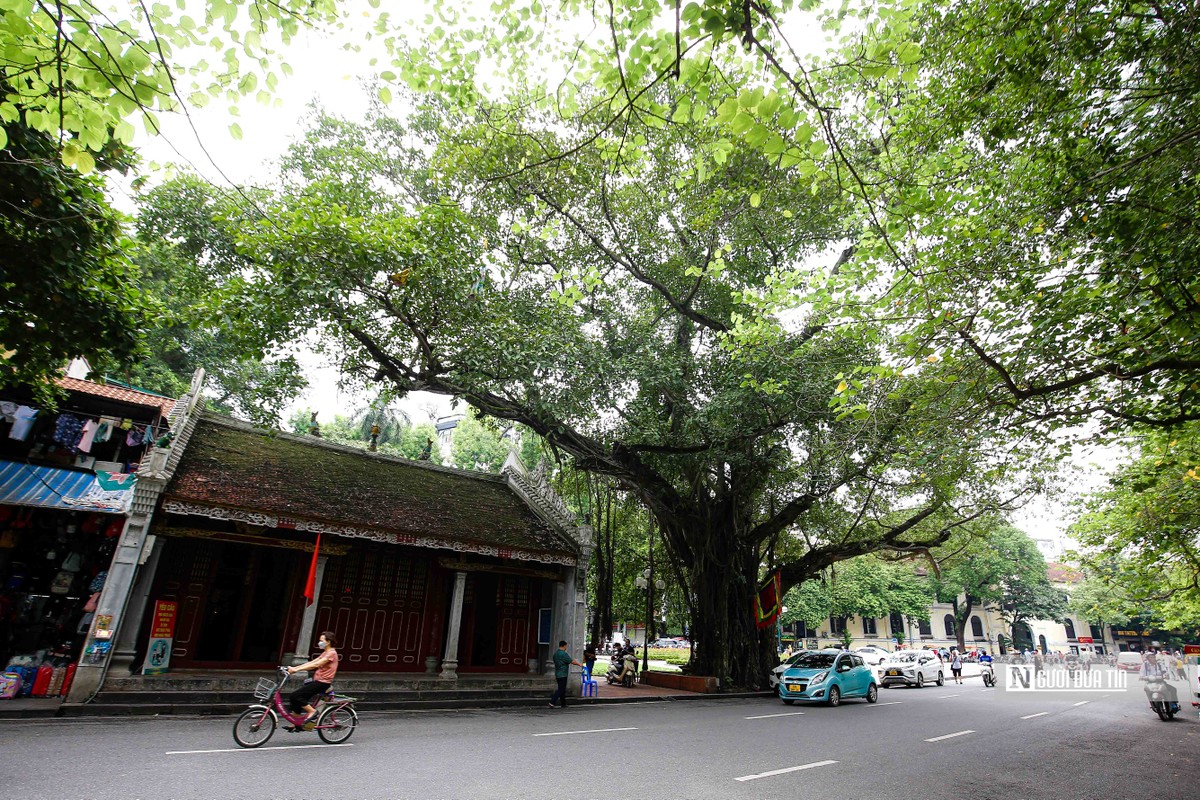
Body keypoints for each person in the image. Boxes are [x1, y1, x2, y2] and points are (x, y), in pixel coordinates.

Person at [286, 631, 339, 731]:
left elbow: (316, 665)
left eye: (321, 641)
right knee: (295, 699)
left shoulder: (331, 653)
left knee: (295, 696)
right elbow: (312, 662)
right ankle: (296, 723)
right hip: (317, 681)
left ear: (328, 642)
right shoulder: (325, 652)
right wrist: (294, 668)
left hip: (322, 683)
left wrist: (296, 670)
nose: (319, 643)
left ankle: (312, 712)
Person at [549, 640, 582, 708]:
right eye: (566, 646)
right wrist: (579, 664)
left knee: (562, 689)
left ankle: (563, 703)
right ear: (564, 646)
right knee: (561, 689)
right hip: (563, 673)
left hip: (557, 673)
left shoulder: (556, 654)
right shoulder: (563, 654)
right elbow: (571, 661)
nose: (566, 647)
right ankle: (552, 702)